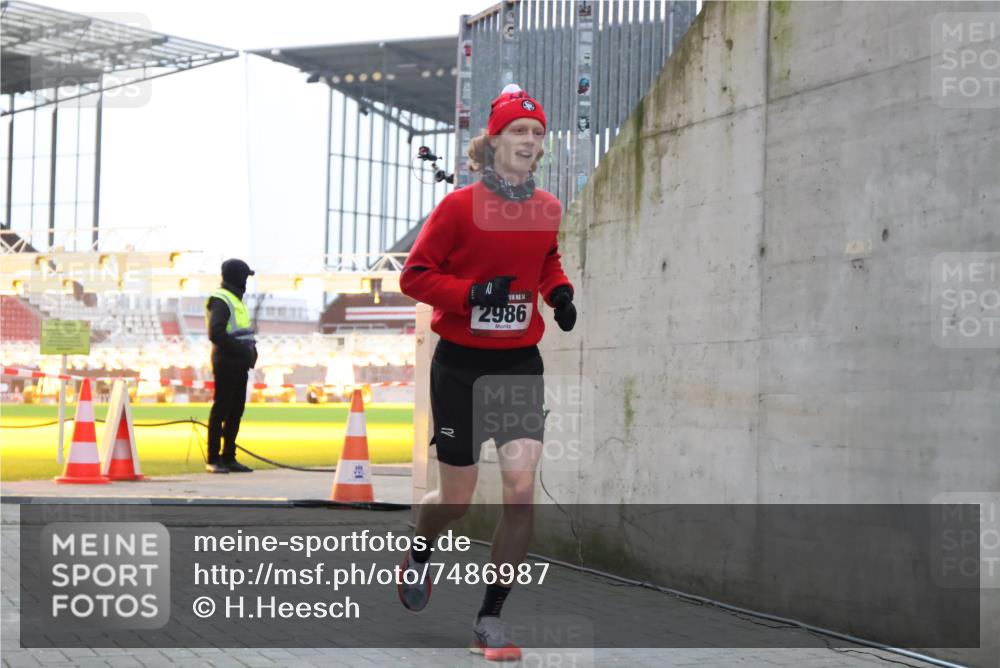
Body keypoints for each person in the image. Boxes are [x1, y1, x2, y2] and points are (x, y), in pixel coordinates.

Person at [398, 84, 577, 661]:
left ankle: (489, 621)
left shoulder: (548, 208)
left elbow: (545, 256)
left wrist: (559, 291)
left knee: (521, 492)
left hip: (520, 365)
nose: (530, 141)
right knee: (455, 501)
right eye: (519, 131)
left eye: (537, 133)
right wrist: (473, 293)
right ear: (494, 140)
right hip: (461, 367)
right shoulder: (456, 208)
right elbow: (416, 277)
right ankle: (421, 547)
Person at [205, 258, 258, 473]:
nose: (246, 282)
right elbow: (216, 333)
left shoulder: (235, 300)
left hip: (238, 363)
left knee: (235, 410)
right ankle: (213, 458)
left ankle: (228, 457)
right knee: (222, 409)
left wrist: (250, 352)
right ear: (238, 277)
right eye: (245, 277)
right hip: (227, 362)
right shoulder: (222, 299)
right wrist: (243, 350)